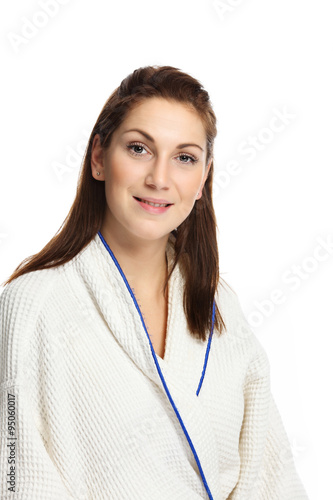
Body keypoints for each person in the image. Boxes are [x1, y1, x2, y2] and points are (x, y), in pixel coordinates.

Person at [0, 65, 309, 499]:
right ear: (99, 158)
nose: (159, 179)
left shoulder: (219, 305)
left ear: (203, 179)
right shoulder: (31, 305)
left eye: (184, 157)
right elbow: (16, 474)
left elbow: (271, 476)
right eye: (140, 149)